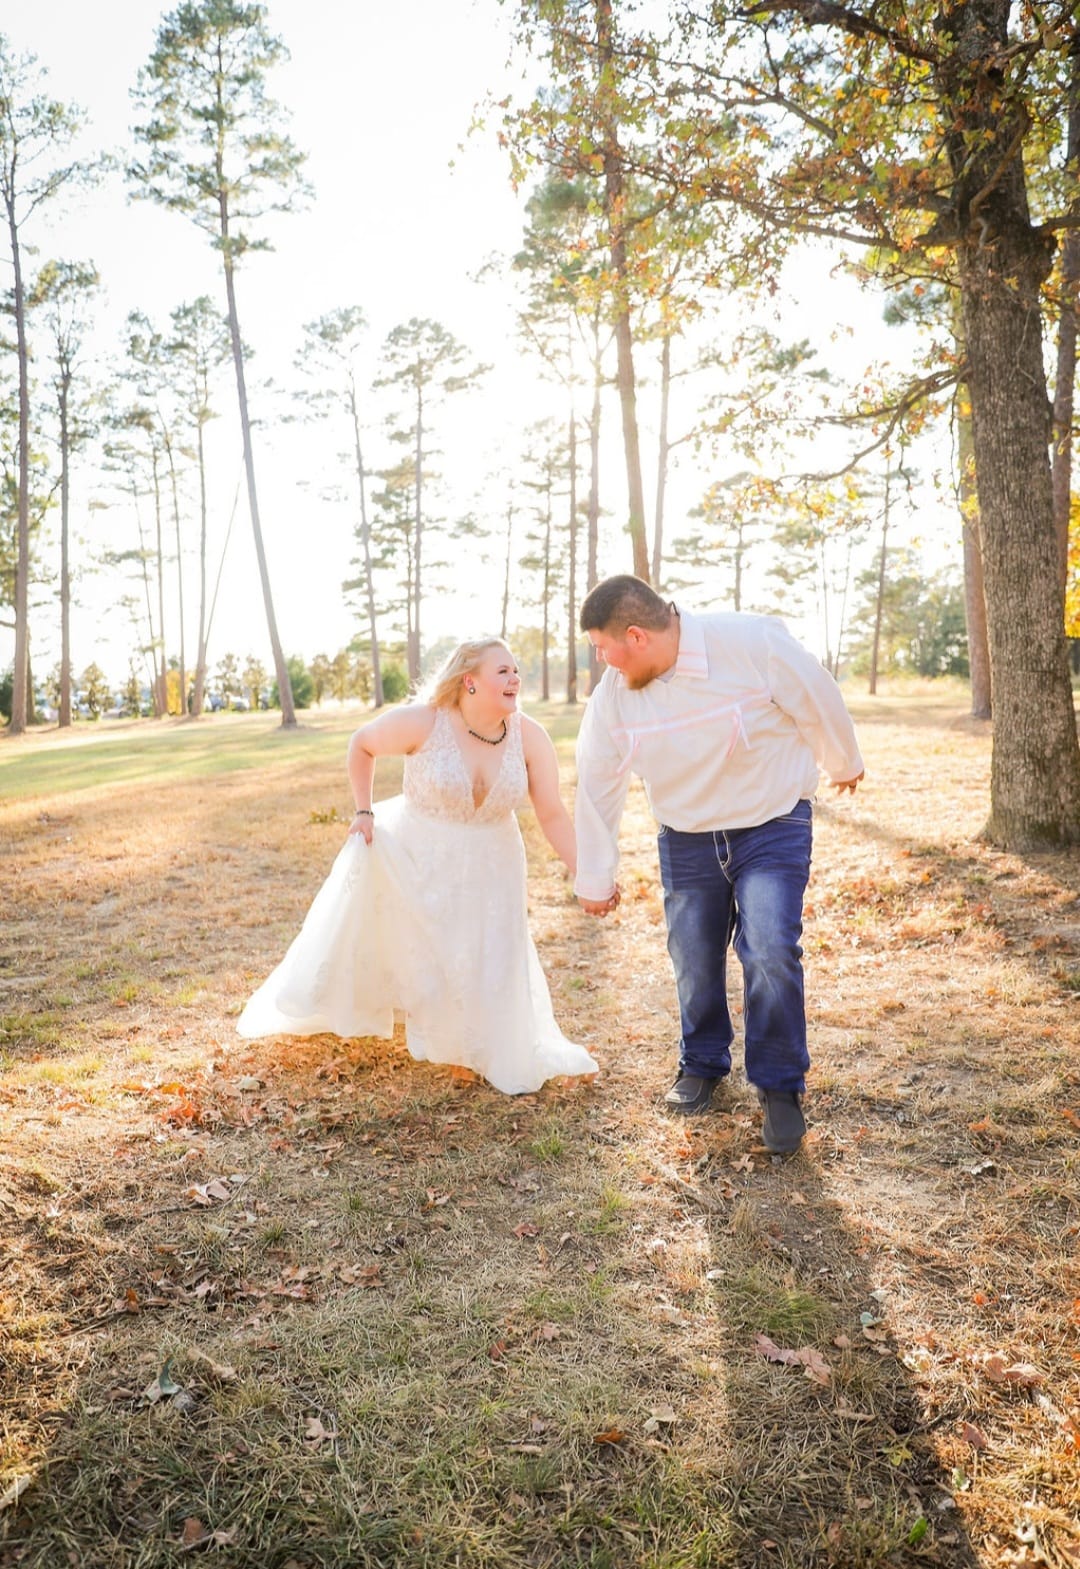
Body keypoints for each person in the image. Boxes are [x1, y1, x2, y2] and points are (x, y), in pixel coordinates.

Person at [573, 576, 864, 1153]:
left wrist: (842, 759)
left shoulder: (750, 643)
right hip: (686, 834)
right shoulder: (614, 695)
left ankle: (779, 1085)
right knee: (693, 955)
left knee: (770, 949)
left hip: (771, 821)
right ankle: (702, 1061)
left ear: (636, 635)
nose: (601, 660)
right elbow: (596, 782)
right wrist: (595, 876)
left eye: (604, 646)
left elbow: (815, 692)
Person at [238, 637, 598, 1095]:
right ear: (469, 681)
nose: (515, 679)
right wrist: (364, 812)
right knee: (426, 966)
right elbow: (361, 744)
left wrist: (585, 874)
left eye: (516, 670)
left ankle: (488, 1040)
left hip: (495, 862)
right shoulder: (425, 722)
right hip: (420, 857)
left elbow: (551, 812)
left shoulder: (530, 736)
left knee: (491, 957)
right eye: (502, 671)